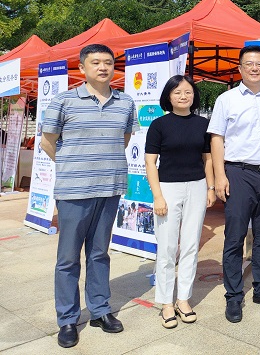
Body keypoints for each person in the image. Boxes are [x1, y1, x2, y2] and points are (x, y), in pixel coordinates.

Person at [41, 44, 137, 348]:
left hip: (109, 188)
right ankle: (68, 319)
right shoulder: (63, 100)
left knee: (99, 254)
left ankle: (99, 310)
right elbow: (47, 142)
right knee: (68, 258)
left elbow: (123, 139)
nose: (103, 67)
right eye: (95, 62)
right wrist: (73, 167)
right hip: (73, 191)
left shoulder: (125, 102)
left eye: (108, 62)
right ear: (82, 68)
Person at [207, 45, 260, 324]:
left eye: (259, 64)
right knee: (235, 236)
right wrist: (220, 175)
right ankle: (233, 295)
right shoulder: (226, 99)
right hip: (238, 174)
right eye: (249, 64)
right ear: (240, 68)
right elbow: (216, 138)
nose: (255, 68)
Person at [145, 75, 215, 329]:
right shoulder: (159, 125)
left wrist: (210, 188)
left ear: (194, 95)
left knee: (190, 245)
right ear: (169, 96)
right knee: (166, 248)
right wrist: (158, 196)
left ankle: (183, 299)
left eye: (188, 92)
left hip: (197, 186)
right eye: (177, 92)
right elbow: (150, 163)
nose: (183, 96)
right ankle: (166, 302)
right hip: (168, 188)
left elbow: (207, 159)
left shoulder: (203, 124)